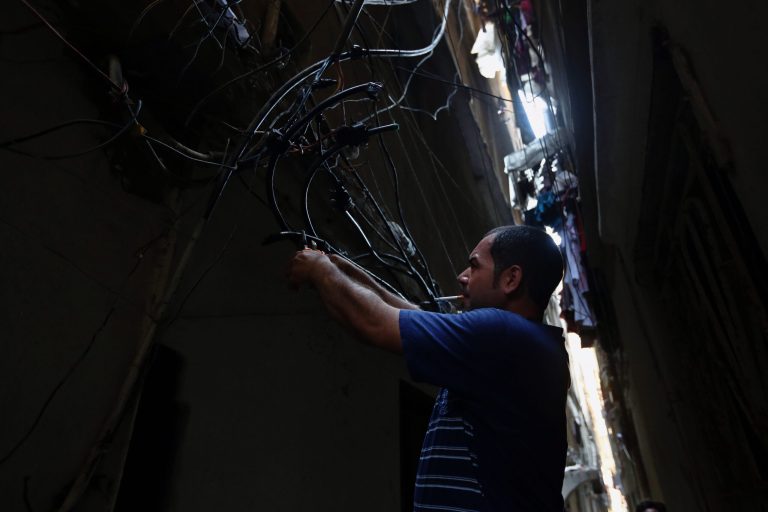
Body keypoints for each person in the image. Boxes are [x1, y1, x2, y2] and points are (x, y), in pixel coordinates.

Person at [288, 225, 570, 511]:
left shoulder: (502, 335)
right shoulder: (515, 345)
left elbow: (373, 323)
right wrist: (347, 270)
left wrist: (320, 269)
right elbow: (411, 316)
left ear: (511, 278)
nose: (462, 277)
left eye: (474, 266)